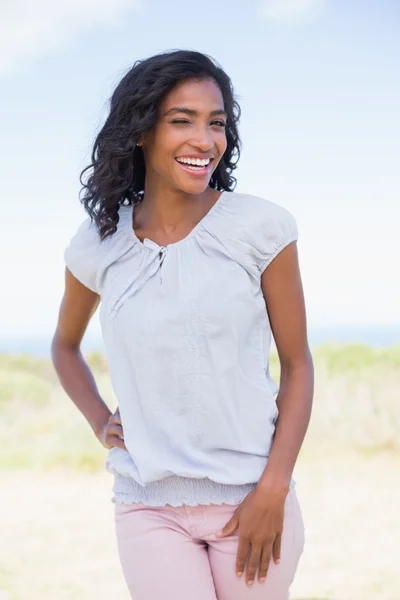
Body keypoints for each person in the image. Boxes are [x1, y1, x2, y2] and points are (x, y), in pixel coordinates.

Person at [51, 49, 314, 600]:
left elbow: (297, 365)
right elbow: (65, 346)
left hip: (251, 498)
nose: (206, 139)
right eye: (182, 120)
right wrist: (102, 422)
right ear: (141, 131)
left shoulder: (261, 228)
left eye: (216, 123)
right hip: (148, 504)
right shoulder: (99, 243)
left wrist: (274, 487)